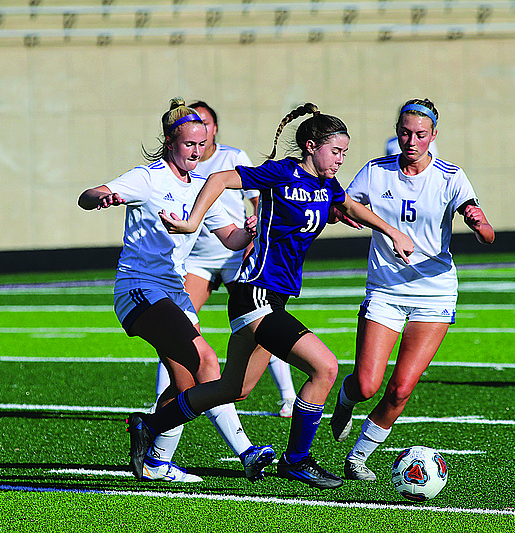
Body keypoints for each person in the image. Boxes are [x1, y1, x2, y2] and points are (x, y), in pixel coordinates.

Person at [139, 103, 415, 490]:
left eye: (344, 154)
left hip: (275, 298)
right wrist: (191, 222)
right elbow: (218, 179)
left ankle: (149, 424)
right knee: (326, 368)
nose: (339, 160)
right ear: (309, 145)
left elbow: (347, 204)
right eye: (335, 151)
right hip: (256, 294)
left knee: (233, 388)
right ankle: (297, 460)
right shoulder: (281, 172)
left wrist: (390, 231)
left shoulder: (326, 185)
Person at [77, 98, 275, 484]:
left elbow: (229, 238)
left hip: (174, 292)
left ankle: (155, 462)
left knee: (185, 386)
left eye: (202, 145)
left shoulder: (202, 186)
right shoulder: (147, 178)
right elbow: (86, 196)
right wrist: (103, 197)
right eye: (189, 145)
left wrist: (248, 231)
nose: (197, 152)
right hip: (139, 288)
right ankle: (246, 451)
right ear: (169, 142)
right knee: (207, 360)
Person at [328, 98, 495, 481]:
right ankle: (346, 397)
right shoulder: (376, 171)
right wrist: (341, 212)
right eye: (405, 132)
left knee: (401, 388)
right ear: (397, 132)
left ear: (434, 136)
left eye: (421, 134)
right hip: (385, 291)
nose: (412, 141)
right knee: (367, 384)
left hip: (434, 294)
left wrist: (478, 223)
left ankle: (357, 458)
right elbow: (347, 206)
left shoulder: (451, 176)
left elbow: (482, 223)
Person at [154, 100, 298, 420]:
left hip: (234, 252)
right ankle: (165, 404)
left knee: (263, 320)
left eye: (204, 126)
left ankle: (287, 396)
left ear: (213, 128)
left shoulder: (231, 157)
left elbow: (259, 199)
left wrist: (255, 229)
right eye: (190, 132)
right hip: (198, 260)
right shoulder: (178, 164)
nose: (197, 137)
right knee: (177, 332)